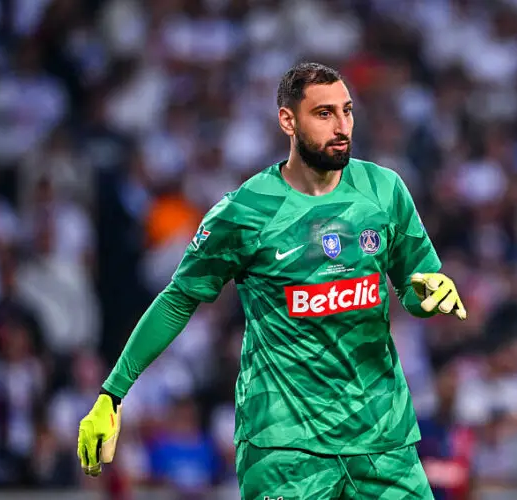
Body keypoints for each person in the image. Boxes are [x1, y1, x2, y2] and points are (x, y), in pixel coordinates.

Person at [77, 62, 467, 499]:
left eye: (347, 111)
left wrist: (431, 294)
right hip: (285, 445)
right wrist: (112, 394)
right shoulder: (245, 211)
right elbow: (177, 300)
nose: (342, 127)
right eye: (324, 114)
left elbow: (416, 285)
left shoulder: (384, 190)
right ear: (288, 120)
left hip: (381, 435)